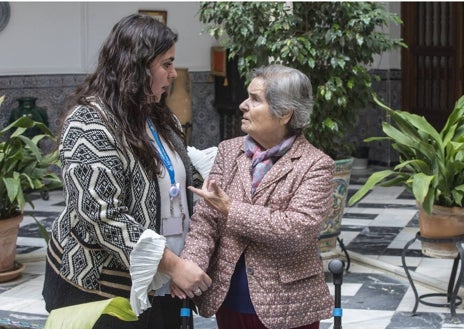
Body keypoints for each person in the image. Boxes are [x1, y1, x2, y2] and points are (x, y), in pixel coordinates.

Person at [42, 14, 211, 329]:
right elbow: (100, 216)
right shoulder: (89, 122)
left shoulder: (162, 118)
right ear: (136, 66)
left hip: (163, 284)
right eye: (166, 64)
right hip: (102, 290)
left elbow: (183, 183)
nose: (174, 74)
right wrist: (174, 265)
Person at [175, 64, 335, 329]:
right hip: (230, 298)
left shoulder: (315, 164)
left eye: (255, 99)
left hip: (288, 305)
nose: (243, 105)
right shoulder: (228, 151)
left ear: (284, 113)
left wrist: (231, 208)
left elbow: (296, 229)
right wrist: (190, 266)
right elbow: (205, 222)